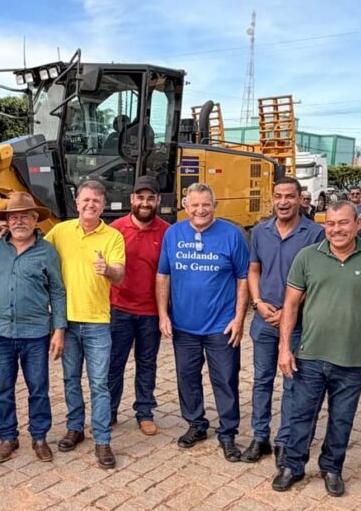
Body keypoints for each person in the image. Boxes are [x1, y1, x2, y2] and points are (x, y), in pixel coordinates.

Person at [273, 201, 361, 496]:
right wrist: (284, 348)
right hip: (309, 354)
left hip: (352, 358)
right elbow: (291, 305)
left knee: (342, 418)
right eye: (330, 223)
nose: (336, 229)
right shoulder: (307, 256)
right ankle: (292, 465)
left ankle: (332, 468)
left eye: (343, 223)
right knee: (301, 415)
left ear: (358, 224)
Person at [157, 182, 249, 462]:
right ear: (186, 206)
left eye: (206, 204)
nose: (200, 210)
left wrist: (239, 318)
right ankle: (196, 424)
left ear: (215, 205)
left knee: (225, 380)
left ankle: (228, 433)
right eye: (194, 204)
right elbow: (163, 275)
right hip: (183, 326)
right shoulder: (173, 234)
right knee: (187, 378)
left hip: (222, 326)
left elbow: (243, 278)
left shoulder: (232, 235)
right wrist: (163, 314)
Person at [44, 180, 126, 469]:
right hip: (66, 321)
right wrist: (2, 233)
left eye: (96, 201)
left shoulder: (113, 236)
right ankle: (75, 428)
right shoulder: (60, 231)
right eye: (86, 200)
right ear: (77, 202)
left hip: (97, 322)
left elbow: (120, 275)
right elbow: (34, 247)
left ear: (103, 206)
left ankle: (102, 440)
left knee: (99, 383)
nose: (90, 204)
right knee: (70, 379)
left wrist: (108, 269)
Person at [243, 177, 325, 465]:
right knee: (262, 380)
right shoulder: (260, 231)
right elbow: (254, 270)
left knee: (292, 381)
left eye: (289, 196)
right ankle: (260, 437)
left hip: (298, 322)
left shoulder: (315, 233)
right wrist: (257, 302)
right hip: (264, 319)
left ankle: (285, 440)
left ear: (300, 199)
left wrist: (289, 311)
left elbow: (316, 279)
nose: (283, 202)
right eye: (278, 196)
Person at [0, 192, 67, 463]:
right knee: (2, 387)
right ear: (6, 221)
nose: (19, 221)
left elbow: (57, 291)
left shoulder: (47, 251)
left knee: (38, 387)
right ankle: (8, 436)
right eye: (13, 217)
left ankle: (39, 436)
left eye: (25, 216)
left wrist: (59, 329)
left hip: (35, 332)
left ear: (34, 219)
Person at [107, 175, 170, 436]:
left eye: (150, 198)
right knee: (114, 363)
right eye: (140, 197)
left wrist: (165, 313)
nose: (145, 203)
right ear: (132, 199)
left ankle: (144, 412)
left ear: (158, 201)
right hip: (119, 309)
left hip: (150, 312)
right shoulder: (114, 230)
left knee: (147, 363)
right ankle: (109, 411)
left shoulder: (167, 232)